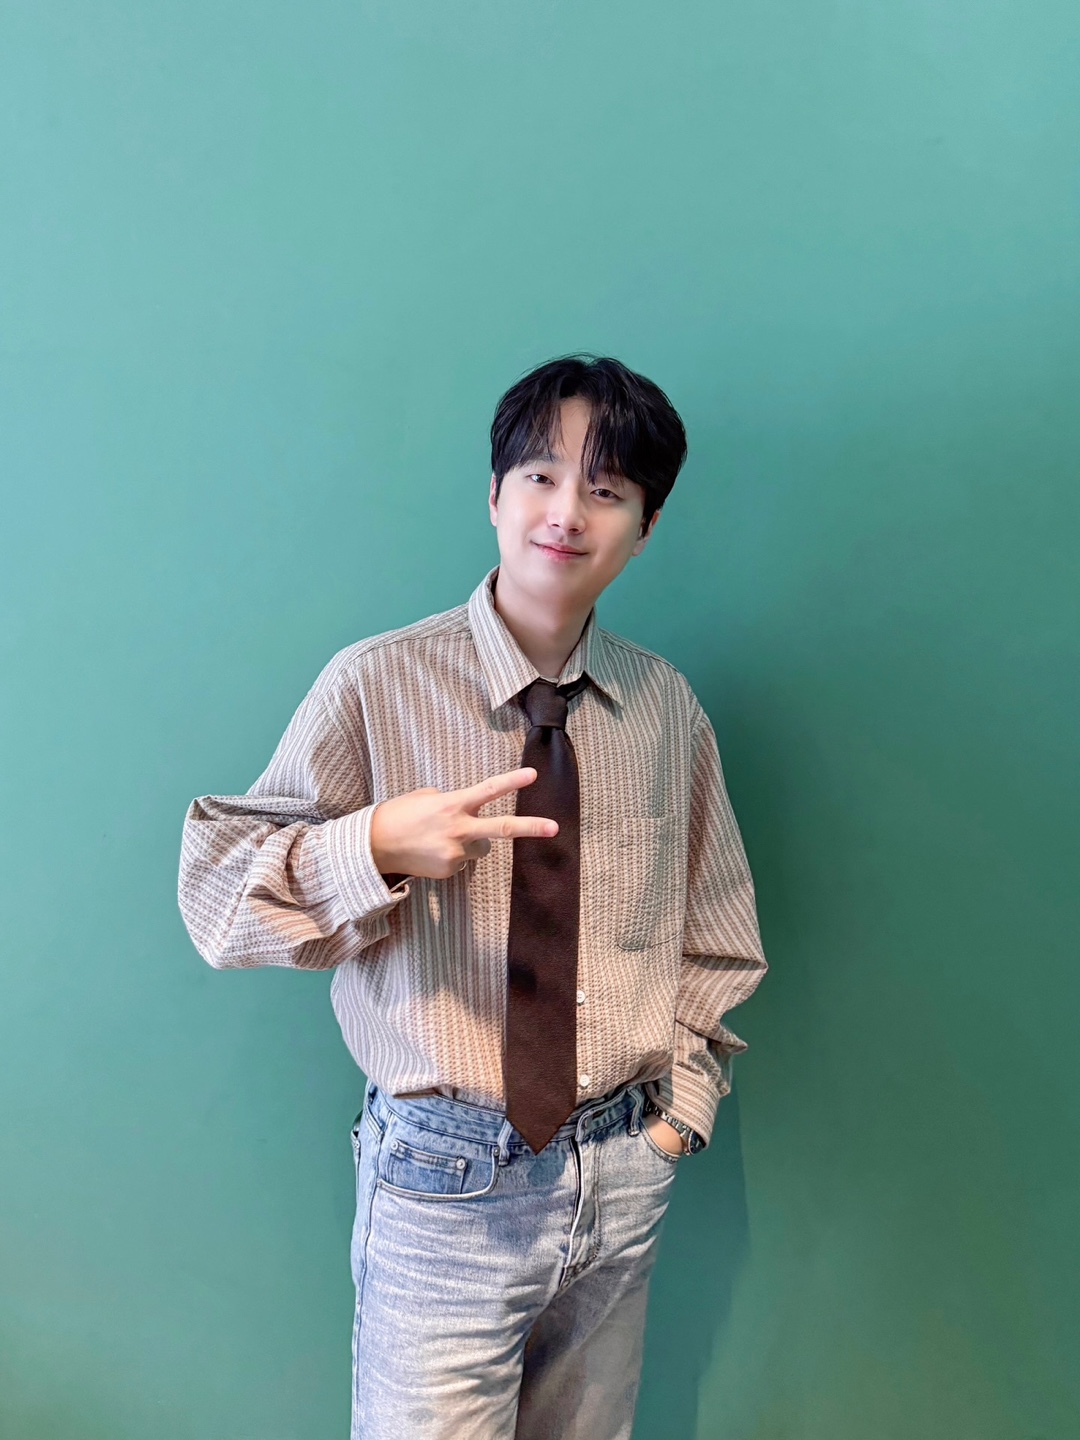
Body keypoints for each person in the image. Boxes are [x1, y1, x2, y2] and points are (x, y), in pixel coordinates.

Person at [178, 354, 767, 1440]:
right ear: (495, 494)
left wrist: (675, 1122)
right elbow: (218, 896)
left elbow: (717, 935)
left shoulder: (665, 711)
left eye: (606, 489)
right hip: (440, 1185)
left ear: (645, 526)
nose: (567, 512)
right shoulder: (375, 684)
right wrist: (374, 846)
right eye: (541, 477)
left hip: (621, 1174)